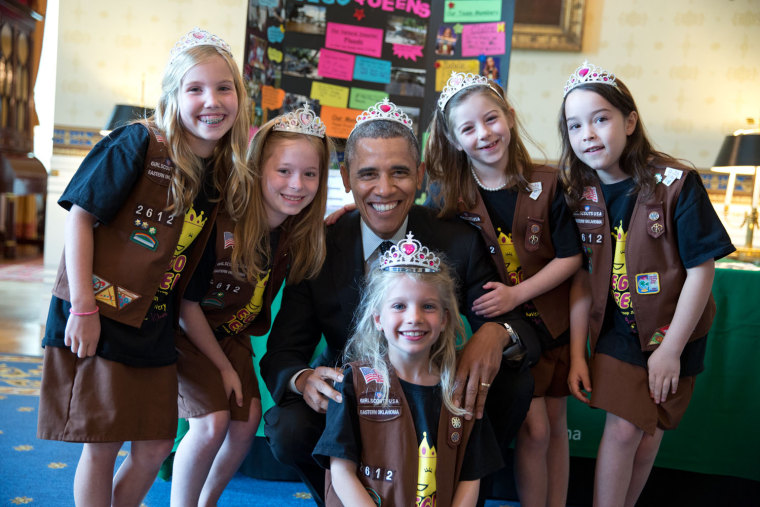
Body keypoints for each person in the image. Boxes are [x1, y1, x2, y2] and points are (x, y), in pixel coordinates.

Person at [260, 98, 535, 506]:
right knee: (287, 424)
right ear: (347, 177)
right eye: (368, 174)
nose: (385, 189)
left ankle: (462, 489)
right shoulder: (320, 245)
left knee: (513, 382)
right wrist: (303, 378)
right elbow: (283, 352)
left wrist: (497, 333)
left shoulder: (456, 239)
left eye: (400, 173)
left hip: (436, 395)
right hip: (352, 401)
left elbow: (518, 320)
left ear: (420, 176)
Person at [36, 27, 250, 506]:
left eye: (223, 87)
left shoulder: (217, 175)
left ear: (239, 96)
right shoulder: (137, 142)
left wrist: (219, 364)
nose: (210, 101)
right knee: (104, 444)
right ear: (173, 96)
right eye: (194, 88)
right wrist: (84, 308)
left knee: (154, 446)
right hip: (101, 315)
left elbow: (188, 287)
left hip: (153, 324)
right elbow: (81, 216)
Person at [559, 61, 735, 507]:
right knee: (623, 428)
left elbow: (702, 269)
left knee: (648, 433)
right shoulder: (576, 193)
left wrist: (671, 350)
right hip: (615, 331)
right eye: (574, 125)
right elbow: (579, 276)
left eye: (600, 118)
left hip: (674, 330)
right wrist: (578, 352)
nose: (588, 134)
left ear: (630, 121)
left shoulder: (677, 184)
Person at [425, 71, 582, 507]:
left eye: (491, 119)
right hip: (504, 331)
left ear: (509, 118)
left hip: (552, 322)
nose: (484, 134)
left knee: (555, 422)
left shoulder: (550, 183)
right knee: (535, 429)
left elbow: (571, 257)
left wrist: (517, 292)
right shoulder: (450, 195)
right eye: (469, 128)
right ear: (455, 140)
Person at [170, 104, 332, 506]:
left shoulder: (297, 231)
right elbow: (185, 305)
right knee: (211, 424)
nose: (297, 184)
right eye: (284, 171)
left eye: (309, 174)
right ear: (258, 168)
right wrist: (223, 367)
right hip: (184, 328)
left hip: (231, 333)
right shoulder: (224, 221)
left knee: (246, 424)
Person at [313, 233, 503, 506]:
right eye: (399, 306)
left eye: (428, 306)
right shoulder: (354, 384)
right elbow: (341, 472)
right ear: (378, 318)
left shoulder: (460, 390)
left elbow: (470, 478)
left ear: (444, 319)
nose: (414, 318)